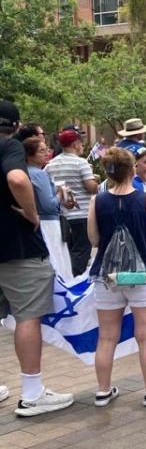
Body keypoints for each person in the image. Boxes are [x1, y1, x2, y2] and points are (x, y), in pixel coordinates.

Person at [0, 100, 74, 417]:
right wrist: (31, 213)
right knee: (28, 316)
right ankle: (32, 394)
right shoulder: (11, 146)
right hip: (16, 246)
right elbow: (17, 179)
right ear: (16, 126)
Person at [87, 147, 146, 408]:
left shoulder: (97, 201)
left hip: (108, 275)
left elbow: (94, 239)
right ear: (132, 169)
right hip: (141, 273)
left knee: (106, 336)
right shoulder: (145, 198)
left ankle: (103, 390)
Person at [45, 129, 99, 277]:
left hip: (62, 216)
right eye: (81, 142)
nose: (82, 146)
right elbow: (91, 187)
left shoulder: (50, 165)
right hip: (82, 216)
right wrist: (96, 182)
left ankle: (67, 278)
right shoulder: (80, 163)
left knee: (67, 252)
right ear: (75, 144)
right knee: (82, 252)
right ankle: (76, 281)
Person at [24, 137, 72, 277]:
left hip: (37, 224)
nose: (47, 153)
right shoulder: (39, 174)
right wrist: (59, 192)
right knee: (59, 264)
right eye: (41, 151)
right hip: (49, 224)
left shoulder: (26, 171)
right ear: (29, 155)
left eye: (47, 150)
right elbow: (49, 206)